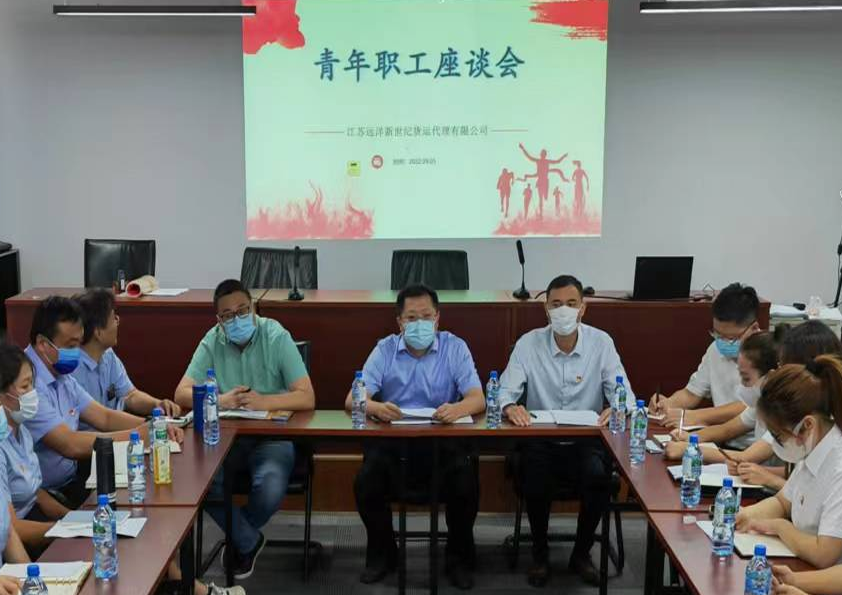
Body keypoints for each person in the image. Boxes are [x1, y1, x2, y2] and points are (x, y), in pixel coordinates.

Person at [345, 284, 485, 590]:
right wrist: (377, 407)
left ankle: (458, 558)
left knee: (466, 483)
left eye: (426, 316)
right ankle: (383, 553)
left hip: (443, 444)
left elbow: (478, 398)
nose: (419, 323)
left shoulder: (454, 347)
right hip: (395, 447)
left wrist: (457, 408)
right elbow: (353, 399)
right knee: (366, 482)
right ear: (399, 322)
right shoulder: (385, 349)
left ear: (437, 318)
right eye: (411, 317)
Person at [174, 279, 315, 580]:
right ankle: (247, 540)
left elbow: (307, 396)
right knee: (200, 483)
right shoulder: (212, 340)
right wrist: (220, 398)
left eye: (243, 310)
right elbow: (181, 393)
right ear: (219, 321)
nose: (237, 319)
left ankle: (239, 537)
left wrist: (265, 400)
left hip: (271, 437)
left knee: (270, 487)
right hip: (225, 438)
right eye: (228, 315)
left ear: (253, 308)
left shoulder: (275, 335)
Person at [499, 274, 635, 587]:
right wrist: (510, 407)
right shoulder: (528, 343)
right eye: (556, 304)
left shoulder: (601, 343)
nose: (564, 310)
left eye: (571, 304)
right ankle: (540, 553)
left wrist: (618, 407)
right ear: (546, 309)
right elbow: (504, 391)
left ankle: (581, 553)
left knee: (599, 477)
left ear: (583, 308)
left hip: (585, 441)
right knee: (535, 476)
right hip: (540, 440)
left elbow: (623, 393)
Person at [23, 296, 181, 509]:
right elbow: (69, 443)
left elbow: (104, 417)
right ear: (43, 344)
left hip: (71, 480)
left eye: (78, 344)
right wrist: (137, 436)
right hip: (40, 496)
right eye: (71, 345)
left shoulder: (59, 372)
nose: (77, 352)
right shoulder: (26, 383)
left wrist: (154, 426)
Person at [735, 354, 842, 569]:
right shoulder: (812, 449)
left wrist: (779, 527)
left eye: (778, 436)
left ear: (807, 425)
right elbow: (783, 502)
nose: (775, 443)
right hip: (799, 568)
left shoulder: (837, 466)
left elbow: (825, 553)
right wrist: (745, 516)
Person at [650, 283, 761, 448]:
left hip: (753, 446)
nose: (723, 342)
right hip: (718, 440)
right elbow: (691, 393)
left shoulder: (768, 355)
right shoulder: (715, 349)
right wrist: (668, 404)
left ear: (754, 328)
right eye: (717, 335)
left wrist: (697, 416)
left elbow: (750, 405)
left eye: (731, 338)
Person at [73, 288, 181, 430]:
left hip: (117, 433)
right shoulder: (71, 369)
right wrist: (150, 427)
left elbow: (130, 395)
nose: (118, 322)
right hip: (91, 439)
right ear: (98, 332)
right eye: (114, 318)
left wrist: (156, 404)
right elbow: (103, 419)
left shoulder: (107, 355)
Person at [663, 331, 778, 463]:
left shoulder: (784, 412)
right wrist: (690, 437)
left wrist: (687, 449)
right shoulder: (760, 404)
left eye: (746, 378)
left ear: (770, 377)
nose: (742, 385)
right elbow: (726, 430)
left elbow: (746, 457)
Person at [0, 343, 68, 553]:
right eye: (25, 386)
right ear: (2, 395)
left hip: (36, 520)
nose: (32, 393)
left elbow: (35, 493)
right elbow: (11, 529)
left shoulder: (22, 431)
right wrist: (62, 531)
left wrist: (72, 517)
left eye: (32, 384)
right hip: (19, 539)